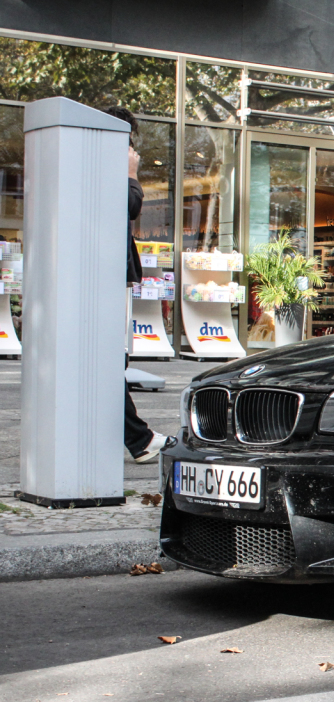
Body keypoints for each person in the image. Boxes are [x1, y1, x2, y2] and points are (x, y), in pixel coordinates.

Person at [105, 106, 170, 463]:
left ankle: (138, 438)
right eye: (128, 141)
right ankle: (139, 440)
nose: (132, 150)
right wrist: (131, 174)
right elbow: (127, 207)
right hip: (106, 275)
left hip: (106, 274)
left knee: (112, 360)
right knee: (110, 360)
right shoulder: (107, 164)